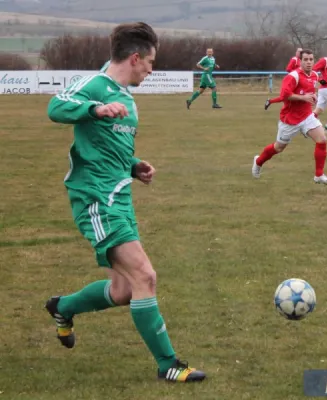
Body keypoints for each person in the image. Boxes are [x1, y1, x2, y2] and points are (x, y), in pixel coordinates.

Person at [45, 22, 206, 383]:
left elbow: (110, 147)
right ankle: (168, 365)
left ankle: (62, 307)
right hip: (96, 199)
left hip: (119, 195)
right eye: (150, 61)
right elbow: (56, 106)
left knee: (122, 292)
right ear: (135, 58)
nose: (152, 69)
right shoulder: (95, 86)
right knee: (145, 276)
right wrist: (95, 110)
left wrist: (135, 166)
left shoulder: (127, 97)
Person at [252, 49, 327, 185]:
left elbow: (309, 92)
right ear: (300, 61)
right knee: (278, 147)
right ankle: (258, 161)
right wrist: (303, 97)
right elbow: (284, 95)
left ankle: (319, 175)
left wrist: (312, 96)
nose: (309, 62)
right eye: (305, 60)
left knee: (322, 140)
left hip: (307, 117)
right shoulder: (293, 76)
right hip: (290, 120)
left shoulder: (314, 75)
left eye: (311, 59)